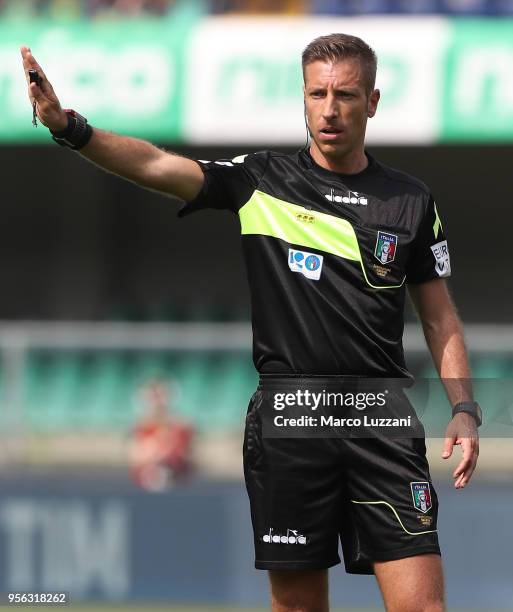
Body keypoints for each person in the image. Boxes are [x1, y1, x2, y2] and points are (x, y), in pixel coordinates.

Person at [21, 33, 481, 612]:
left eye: (346, 94)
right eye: (317, 94)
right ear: (304, 97)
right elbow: (159, 165)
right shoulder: (261, 180)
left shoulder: (411, 201)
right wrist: (69, 127)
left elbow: (440, 321)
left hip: (380, 420)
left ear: (373, 101)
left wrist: (464, 407)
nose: (330, 109)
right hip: (290, 419)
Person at [129, 379, 195, 491]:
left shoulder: (181, 426)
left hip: (177, 485)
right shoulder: (141, 427)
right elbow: (136, 456)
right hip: (145, 487)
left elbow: (188, 457)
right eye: (153, 397)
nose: (157, 402)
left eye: (160, 396)